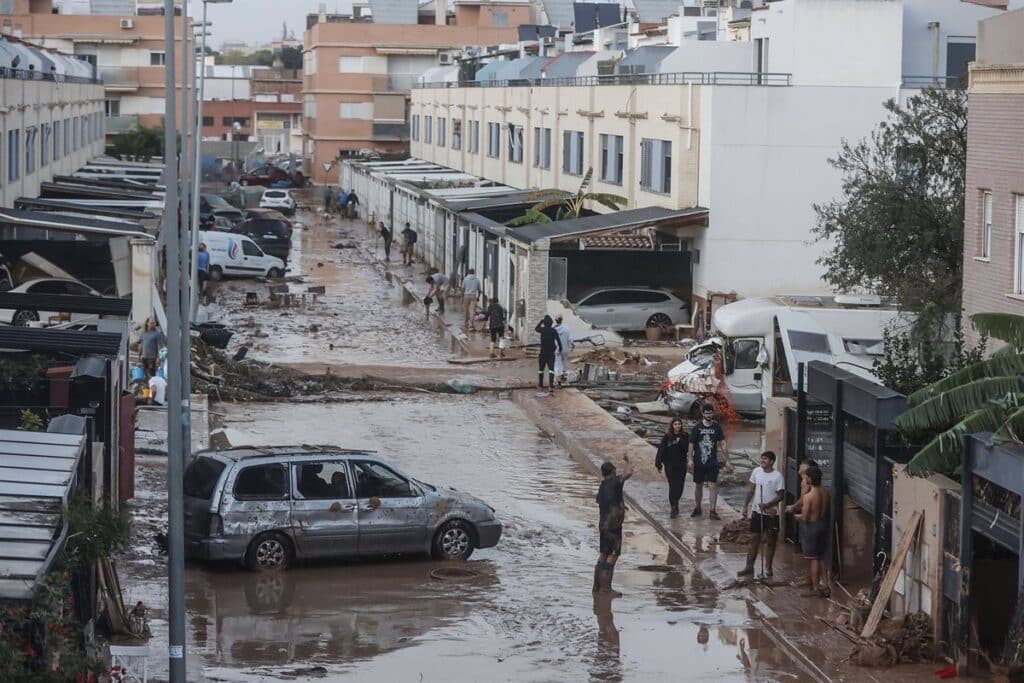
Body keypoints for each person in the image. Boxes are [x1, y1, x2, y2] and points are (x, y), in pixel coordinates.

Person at [739, 451, 786, 580]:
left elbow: (781, 495)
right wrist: (745, 506)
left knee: (771, 542)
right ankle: (749, 566)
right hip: (756, 512)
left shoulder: (778, 477)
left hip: (771, 515)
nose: (762, 461)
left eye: (765, 459)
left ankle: (768, 568)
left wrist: (767, 505)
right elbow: (751, 489)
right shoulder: (756, 472)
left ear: (772, 461)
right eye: (762, 458)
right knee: (754, 540)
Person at [594, 456, 633, 595]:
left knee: (603, 554)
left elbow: (603, 501)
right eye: (615, 470)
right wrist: (628, 461)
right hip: (614, 526)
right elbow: (628, 473)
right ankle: (606, 589)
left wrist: (621, 505)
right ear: (612, 471)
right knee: (613, 555)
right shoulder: (615, 481)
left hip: (603, 525)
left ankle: (597, 587)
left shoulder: (603, 485)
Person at [688, 403, 730, 519]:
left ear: (713, 413)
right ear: (703, 414)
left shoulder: (716, 427)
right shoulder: (697, 427)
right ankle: (697, 508)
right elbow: (691, 444)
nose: (709, 415)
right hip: (699, 462)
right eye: (706, 413)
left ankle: (712, 510)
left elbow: (722, 443)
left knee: (713, 486)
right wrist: (690, 459)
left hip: (712, 462)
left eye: (710, 413)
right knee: (698, 485)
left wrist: (727, 460)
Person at [795, 464, 831, 597]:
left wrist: (795, 515)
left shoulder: (808, 496)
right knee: (822, 557)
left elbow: (805, 517)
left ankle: (816, 588)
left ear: (809, 478)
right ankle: (826, 585)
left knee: (813, 558)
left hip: (812, 528)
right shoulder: (825, 493)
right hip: (823, 525)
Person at [655, 418, 688, 518]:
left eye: (679, 424)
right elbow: (661, 450)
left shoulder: (685, 436)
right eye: (675, 424)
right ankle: (673, 507)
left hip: (681, 465)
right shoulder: (667, 437)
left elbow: (688, 448)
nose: (677, 426)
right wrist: (658, 463)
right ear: (672, 426)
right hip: (669, 465)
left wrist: (680, 441)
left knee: (680, 486)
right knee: (672, 486)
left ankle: (676, 502)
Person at [535, 315, 563, 391]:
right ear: (551, 323)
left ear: (545, 323)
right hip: (551, 353)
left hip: (543, 353)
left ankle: (540, 385)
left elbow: (536, 328)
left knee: (541, 369)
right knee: (551, 369)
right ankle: (551, 386)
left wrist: (541, 322)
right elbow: (558, 340)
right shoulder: (553, 330)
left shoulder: (542, 330)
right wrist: (560, 348)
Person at [553, 315, 573, 385]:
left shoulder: (553, 329)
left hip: (556, 350)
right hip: (565, 349)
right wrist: (572, 345)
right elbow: (570, 339)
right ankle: (563, 377)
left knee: (557, 364)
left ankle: (558, 379)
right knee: (564, 363)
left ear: (555, 321)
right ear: (562, 320)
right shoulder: (566, 329)